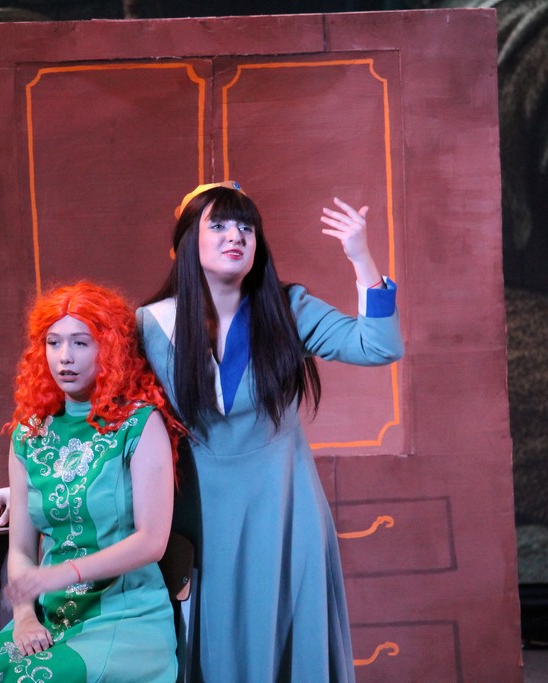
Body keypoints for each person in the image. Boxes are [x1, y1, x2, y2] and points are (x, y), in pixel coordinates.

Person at [135, 181, 404, 681]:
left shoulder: (287, 308)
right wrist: (27, 480)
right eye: (218, 225)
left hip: (286, 512)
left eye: (247, 227)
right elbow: (107, 420)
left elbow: (379, 346)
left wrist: (360, 256)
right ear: (188, 239)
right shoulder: (150, 326)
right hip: (200, 520)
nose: (235, 235)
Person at [0, 281, 184, 683]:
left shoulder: (139, 424)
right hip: (49, 617)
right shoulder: (29, 433)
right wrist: (24, 617)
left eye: (80, 343)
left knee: (31, 679)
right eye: (53, 343)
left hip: (125, 618)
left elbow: (152, 541)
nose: (64, 357)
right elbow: (21, 550)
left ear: (109, 348)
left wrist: (62, 573)